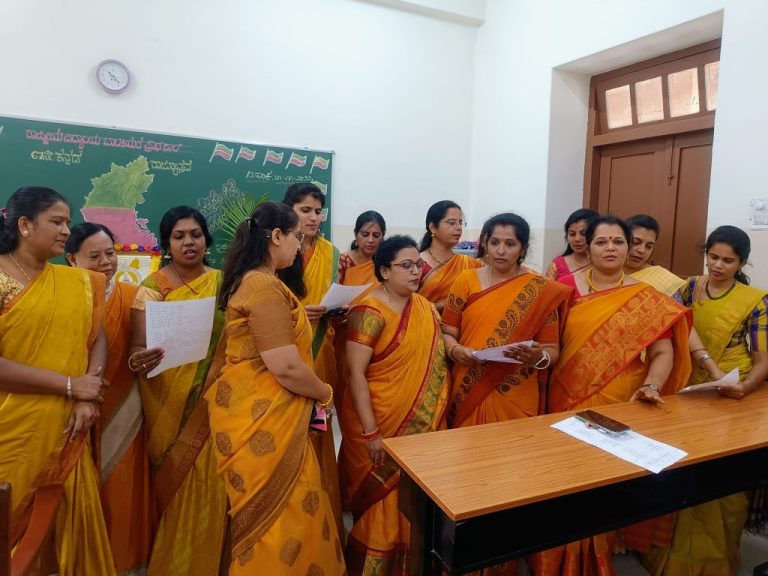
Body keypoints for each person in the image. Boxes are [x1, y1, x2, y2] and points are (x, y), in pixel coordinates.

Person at [532, 215, 692, 576]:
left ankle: (597, 557)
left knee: (605, 486)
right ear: (586, 246)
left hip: (621, 403)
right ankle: (557, 560)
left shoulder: (645, 297)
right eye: (601, 241)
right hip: (566, 400)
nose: (610, 248)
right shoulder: (562, 289)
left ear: (628, 247)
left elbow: (662, 352)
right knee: (566, 482)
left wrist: (652, 385)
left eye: (618, 241)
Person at [206, 201, 345, 575]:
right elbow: (285, 366)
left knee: (282, 518)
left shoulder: (255, 282)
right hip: (264, 422)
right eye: (297, 236)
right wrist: (325, 393)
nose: (300, 245)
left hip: (263, 416)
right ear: (277, 236)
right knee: (281, 523)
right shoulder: (264, 287)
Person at [0, 186, 114, 574]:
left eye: (68, 221)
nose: (67, 230)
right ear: (25, 225)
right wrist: (68, 385)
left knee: (67, 536)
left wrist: (86, 396)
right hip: (13, 430)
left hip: (69, 427)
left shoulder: (76, 282)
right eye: (57, 221)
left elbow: (97, 338)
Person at [643, 225, 768, 576]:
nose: (718, 266)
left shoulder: (755, 300)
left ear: (741, 263)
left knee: (721, 479)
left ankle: (715, 562)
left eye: (728, 261)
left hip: (732, 391)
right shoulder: (689, 288)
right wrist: (707, 367)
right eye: (713, 257)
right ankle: (671, 559)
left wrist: (747, 386)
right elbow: (673, 326)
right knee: (681, 469)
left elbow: (763, 359)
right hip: (690, 387)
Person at [341, 235, 450, 574]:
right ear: (385, 271)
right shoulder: (368, 311)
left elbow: (436, 358)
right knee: (381, 503)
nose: (416, 271)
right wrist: (371, 433)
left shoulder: (424, 307)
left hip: (419, 425)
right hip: (376, 421)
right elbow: (355, 374)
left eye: (418, 265)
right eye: (407, 265)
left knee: (413, 499)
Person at [129, 206, 228, 576]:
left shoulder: (225, 282)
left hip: (218, 399)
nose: (189, 242)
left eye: (196, 234)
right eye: (179, 236)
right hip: (168, 401)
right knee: (179, 484)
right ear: (167, 244)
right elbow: (136, 347)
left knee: (214, 484)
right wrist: (138, 359)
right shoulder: (153, 287)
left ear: (206, 239)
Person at [65, 222, 153, 575]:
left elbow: (141, 347)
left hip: (125, 407)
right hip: (71, 406)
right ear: (71, 259)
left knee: (123, 485)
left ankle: (122, 562)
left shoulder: (135, 295)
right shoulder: (63, 296)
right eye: (94, 256)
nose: (106, 262)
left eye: (110, 253)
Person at [442, 213, 571, 428]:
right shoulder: (466, 280)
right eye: (494, 243)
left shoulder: (540, 290)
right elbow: (447, 331)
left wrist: (537, 357)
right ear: (485, 244)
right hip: (468, 383)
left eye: (510, 244)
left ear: (523, 249)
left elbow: (552, 350)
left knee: (513, 447)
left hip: (515, 391)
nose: (500, 251)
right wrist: (456, 351)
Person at [283, 182, 344, 534]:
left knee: (318, 430)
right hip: (285, 357)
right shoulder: (276, 249)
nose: (313, 217)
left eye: (318, 211)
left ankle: (321, 515)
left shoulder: (332, 254)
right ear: (288, 210)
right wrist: (297, 314)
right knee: (289, 433)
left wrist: (335, 310)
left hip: (320, 353)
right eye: (305, 210)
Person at [418, 200, 481, 311]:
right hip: (424, 321)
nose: (458, 227)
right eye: (452, 223)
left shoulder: (469, 264)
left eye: (460, 223)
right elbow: (406, 305)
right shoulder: (416, 263)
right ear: (433, 227)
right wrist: (444, 305)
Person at [623, 214, 687, 298]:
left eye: (649, 246)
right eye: (636, 242)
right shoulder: (606, 275)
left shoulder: (664, 280)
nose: (642, 250)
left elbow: (675, 306)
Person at [545, 208, 598, 281]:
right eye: (572, 234)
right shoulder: (556, 265)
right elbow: (548, 288)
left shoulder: (603, 264)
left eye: (583, 234)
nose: (577, 239)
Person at [338, 210, 386, 286]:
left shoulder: (383, 263)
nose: (370, 240)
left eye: (376, 235)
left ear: (382, 236)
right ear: (355, 234)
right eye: (365, 235)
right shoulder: (342, 262)